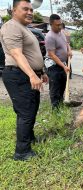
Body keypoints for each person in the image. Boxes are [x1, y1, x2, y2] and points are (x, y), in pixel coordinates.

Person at [0, 0, 48, 161]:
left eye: (31, 9)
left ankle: (30, 138)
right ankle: (21, 152)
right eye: (25, 9)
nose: (30, 12)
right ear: (14, 11)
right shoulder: (11, 26)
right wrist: (32, 75)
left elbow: (31, 53)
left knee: (32, 109)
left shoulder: (24, 28)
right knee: (26, 113)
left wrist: (41, 72)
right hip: (18, 75)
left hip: (27, 74)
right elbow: (17, 54)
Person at [45, 14, 71, 110]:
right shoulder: (50, 37)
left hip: (62, 64)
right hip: (53, 66)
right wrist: (64, 66)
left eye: (60, 24)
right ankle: (55, 110)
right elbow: (52, 55)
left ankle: (61, 105)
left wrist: (69, 50)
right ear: (51, 24)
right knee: (55, 88)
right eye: (57, 25)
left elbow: (66, 43)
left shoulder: (61, 33)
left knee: (62, 86)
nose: (60, 26)